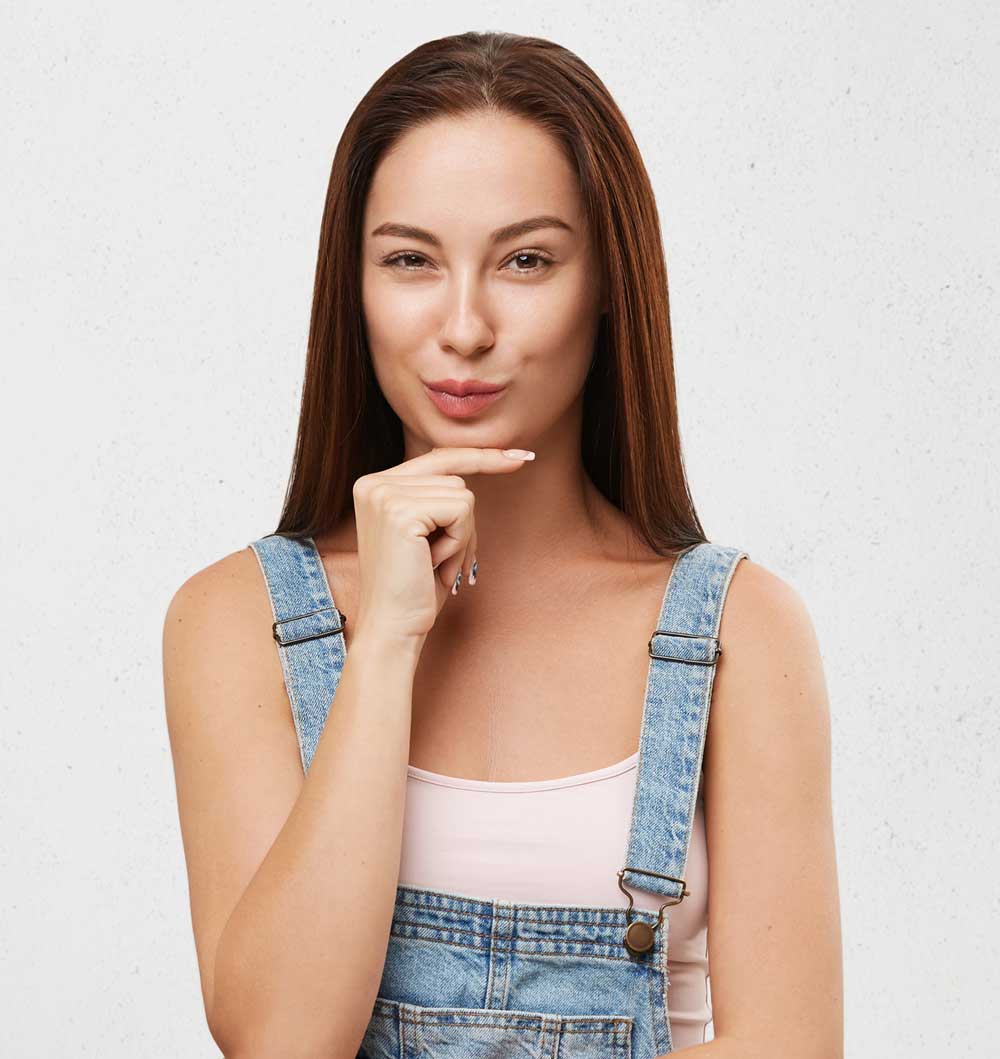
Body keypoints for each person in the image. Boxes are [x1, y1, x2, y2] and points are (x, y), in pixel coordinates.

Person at [163, 31, 843, 1059]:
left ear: (607, 280)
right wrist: (386, 642)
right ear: (353, 286)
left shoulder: (739, 632)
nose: (466, 326)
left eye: (526, 260)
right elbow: (280, 1038)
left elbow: (791, 1046)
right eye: (410, 260)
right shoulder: (234, 619)